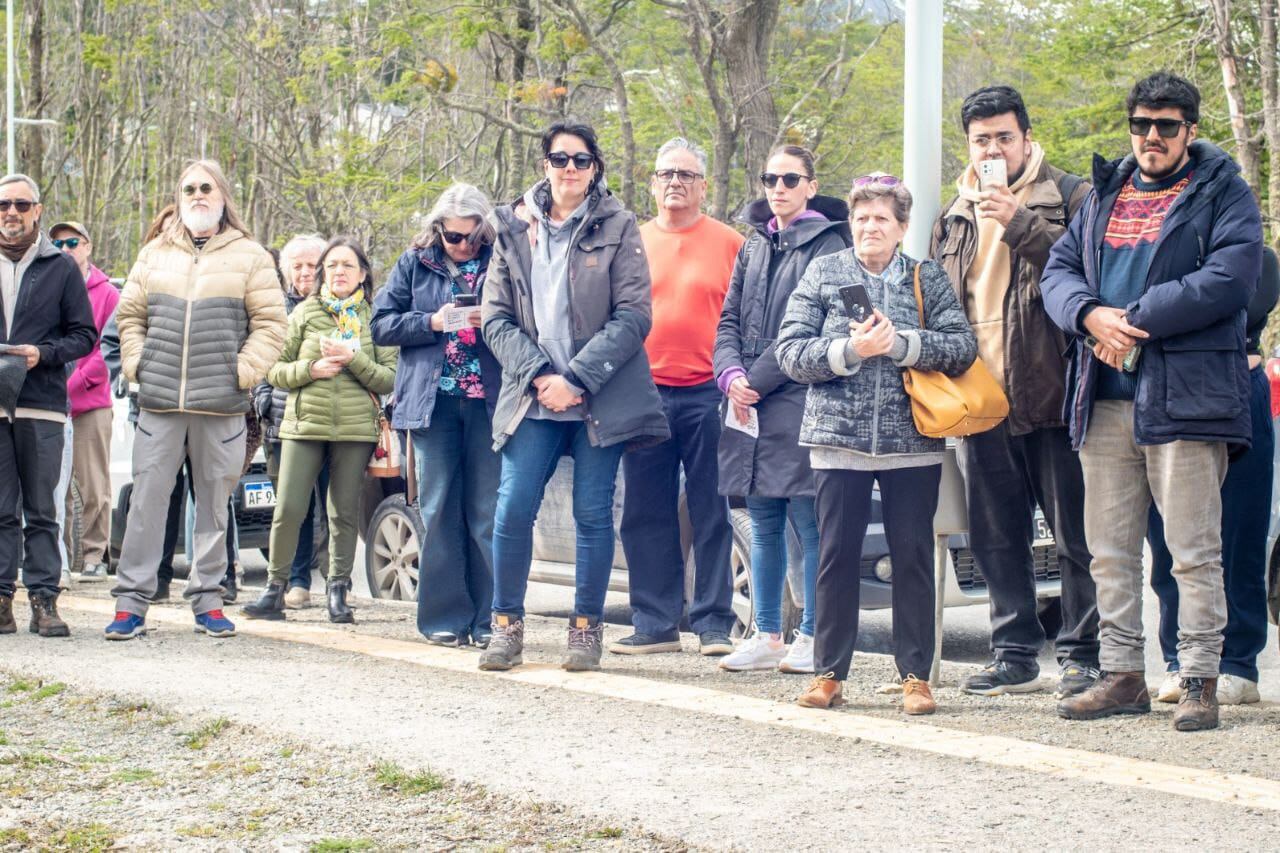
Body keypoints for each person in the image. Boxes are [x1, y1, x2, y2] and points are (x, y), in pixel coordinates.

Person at [1044, 72, 1263, 732]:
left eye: (1167, 125)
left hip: (1186, 398)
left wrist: (1130, 318)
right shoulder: (1103, 193)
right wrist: (1088, 315)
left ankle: (1198, 678)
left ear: (1189, 131)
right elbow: (1058, 273)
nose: (1152, 137)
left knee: (1192, 550)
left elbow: (1232, 276)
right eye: (1142, 124)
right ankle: (1122, 675)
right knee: (1109, 550)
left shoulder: (1223, 191)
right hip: (1103, 399)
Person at [776, 173, 978, 713]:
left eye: (882, 219)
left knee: (912, 556)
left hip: (912, 439)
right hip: (836, 441)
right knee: (836, 557)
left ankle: (916, 676)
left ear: (901, 227)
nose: (870, 227)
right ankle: (828, 674)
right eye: (862, 218)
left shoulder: (925, 276)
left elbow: (962, 346)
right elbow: (790, 351)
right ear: (851, 223)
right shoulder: (824, 272)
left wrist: (904, 345)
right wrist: (850, 349)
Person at [479, 121, 669, 673]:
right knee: (513, 509)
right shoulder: (512, 228)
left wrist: (577, 379)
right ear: (545, 165)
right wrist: (541, 375)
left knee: (592, 513)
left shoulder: (618, 223)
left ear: (594, 169)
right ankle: (506, 627)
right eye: (559, 159)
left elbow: (635, 314)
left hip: (599, 395)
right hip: (532, 393)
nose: (569, 169)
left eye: (581, 161)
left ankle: (586, 631)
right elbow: (494, 317)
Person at [929, 85, 1099, 698]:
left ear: (1026, 137)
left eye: (1004, 137)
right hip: (979, 400)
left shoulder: (1072, 196)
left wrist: (1019, 223)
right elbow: (941, 301)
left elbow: (1089, 276)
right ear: (968, 146)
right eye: (982, 140)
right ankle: (1014, 652)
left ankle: (1083, 653)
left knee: (1075, 532)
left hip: (1051, 391)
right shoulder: (952, 213)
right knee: (997, 534)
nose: (994, 149)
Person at [105, 160, 287, 640]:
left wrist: (242, 371)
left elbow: (272, 325)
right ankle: (130, 604)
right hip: (160, 403)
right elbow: (130, 318)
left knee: (212, 506)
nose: (198, 195)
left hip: (221, 404)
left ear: (223, 195)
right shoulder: (153, 254)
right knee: (146, 504)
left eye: (207, 187)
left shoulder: (250, 255)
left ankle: (208, 599)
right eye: (189, 188)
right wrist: (138, 365)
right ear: (179, 196)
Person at [713, 145, 850, 674]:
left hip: (800, 396)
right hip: (746, 400)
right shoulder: (754, 243)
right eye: (770, 178)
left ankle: (814, 634)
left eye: (790, 179)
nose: (778, 187)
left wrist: (756, 380)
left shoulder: (834, 244)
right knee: (761, 517)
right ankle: (767, 633)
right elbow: (727, 319)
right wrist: (730, 374)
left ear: (811, 185)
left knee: (806, 519)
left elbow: (823, 328)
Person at [612, 138, 743, 658]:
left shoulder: (732, 243)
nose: (675, 182)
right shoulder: (632, 243)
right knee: (646, 510)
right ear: (651, 183)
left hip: (709, 394)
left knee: (713, 508)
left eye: (686, 175)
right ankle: (654, 622)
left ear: (703, 186)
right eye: (666, 174)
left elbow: (746, 320)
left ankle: (713, 622)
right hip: (642, 393)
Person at [1146, 248, 1279, 705]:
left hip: (1238, 389)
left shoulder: (1256, 255)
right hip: (1165, 392)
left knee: (1239, 534)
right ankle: (1177, 659)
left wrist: (1167, 313)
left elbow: (1246, 300)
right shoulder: (1152, 250)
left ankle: (1238, 664)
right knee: (1168, 543)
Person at [243, 236, 396, 623]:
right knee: (289, 509)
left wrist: (354, 360)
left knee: (342, 513)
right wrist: (309, 371)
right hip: (303, 425)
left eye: (347, 265)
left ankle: (337, 590)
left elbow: (390, 378)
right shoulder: (303, 314)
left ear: (362, 273)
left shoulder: (374, 318)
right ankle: (274, 590)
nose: (338, 272)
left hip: (353, 430)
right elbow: (273, 370)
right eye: (331, 266)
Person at [373, 183, 500, 647]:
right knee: (439, 508)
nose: (464, 245)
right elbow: (381, 324)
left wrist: (493, 320)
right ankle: (444, 617)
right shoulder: (414, 262)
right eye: (454, 237)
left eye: (472, 236)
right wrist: (430, 321)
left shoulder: (501, 259)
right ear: (437, 229)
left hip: (489, 401)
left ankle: (491, 621)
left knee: (487, 512)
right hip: (432, 405)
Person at [0, 174, 98, 638]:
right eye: (3, 205)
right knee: (1, 509)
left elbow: (84, 335)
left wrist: (43, 353)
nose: (11, 212)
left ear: (37, 210)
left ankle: (44, 600)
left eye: (21, 204)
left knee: (42, 510)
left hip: (41, 405)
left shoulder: (59, 268)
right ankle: (2, 602)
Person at [253, 233, 329, 609]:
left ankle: (335, 581)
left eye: (312, 265)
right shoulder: (272, 311)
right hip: (283, 422)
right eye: (297, 266)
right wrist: (263, 400)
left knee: (334, 504)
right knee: (292, 507)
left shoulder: (340, 309)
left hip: (334, 422)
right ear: (285, 272)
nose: (305, 272)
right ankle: (297, 581)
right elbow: (259, 361)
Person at [50, 220, 119, 583]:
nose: (65, 249)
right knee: (57, 486)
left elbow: (107, 349)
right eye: (58, 244)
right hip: (51, 404)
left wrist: (73, 384)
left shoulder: (107, 292)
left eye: (72, 242)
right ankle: (61, 556)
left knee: (93, 485)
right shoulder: (49, 285)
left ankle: (95, 554)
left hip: (90, 403)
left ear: (87, 246)